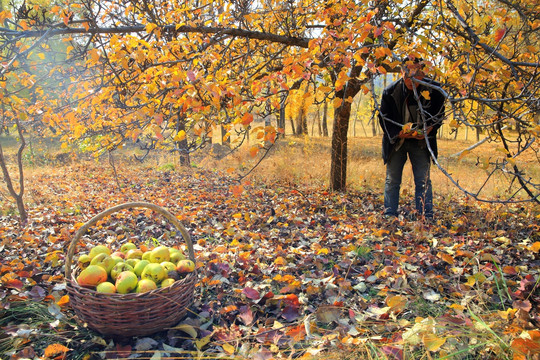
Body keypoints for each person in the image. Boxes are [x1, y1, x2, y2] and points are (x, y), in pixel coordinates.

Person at [378, 57, 446, 219]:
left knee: (423, 180)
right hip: (397, 142)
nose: (411, 78)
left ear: (424, 72)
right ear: (401, 72)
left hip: (421, 142)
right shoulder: (390, 91)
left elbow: (439, 115)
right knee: (392, 180)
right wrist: (398, 133)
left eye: (417, 73)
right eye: (407, 73)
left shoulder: (435, 90)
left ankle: (425, 215)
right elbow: (383, 118)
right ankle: (389, 214)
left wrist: (429, 129)